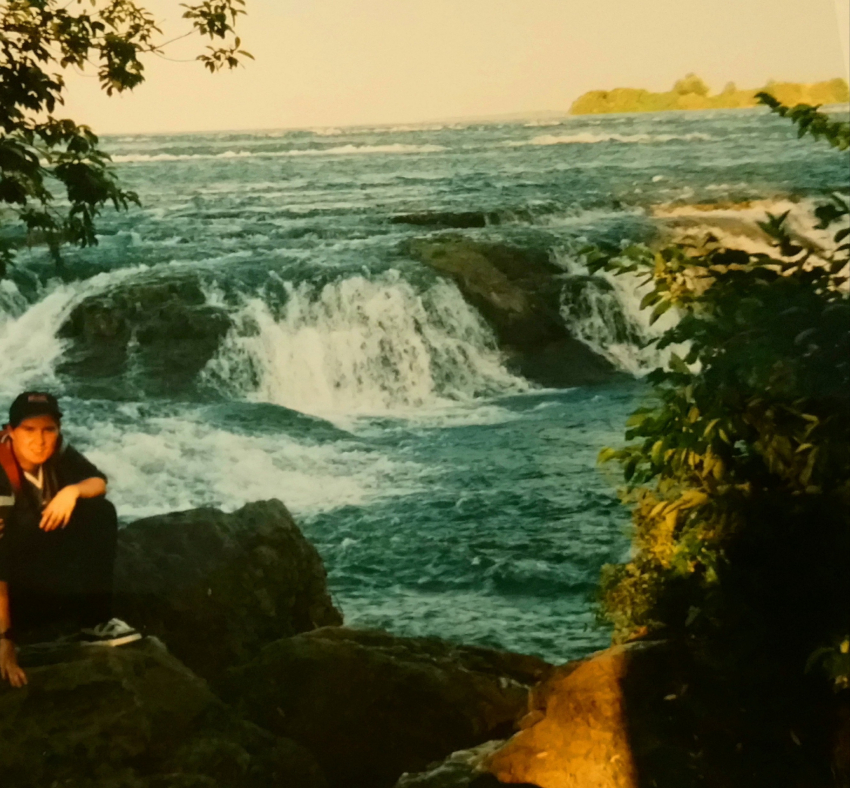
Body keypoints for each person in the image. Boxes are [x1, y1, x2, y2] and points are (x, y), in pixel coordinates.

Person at [0, 392, 139, 688]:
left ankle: (94, 623)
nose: (39, 440)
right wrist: (4, 640)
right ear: (10, 432)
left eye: (48, 429)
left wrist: (71, 492)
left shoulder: (57, 449)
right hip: (7, 582)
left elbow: (98, 482)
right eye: (28, 430)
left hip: (34, 567)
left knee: (99, 511)